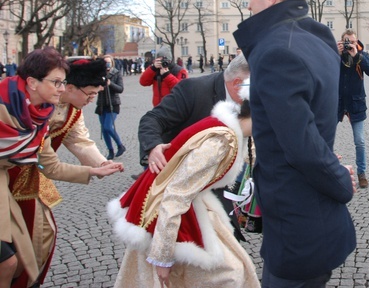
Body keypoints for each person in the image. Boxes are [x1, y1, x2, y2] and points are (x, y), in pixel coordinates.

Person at [233, 0, 356, 287]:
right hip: (311, 220)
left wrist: (341, 183)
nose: (247, 3)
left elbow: (302, 147)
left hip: (297, 226)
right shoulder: (316, 38)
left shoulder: (277, 52)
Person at [109, 92, 260, 288]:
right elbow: (175, 195)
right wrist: (163, 256)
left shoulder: (228, 128)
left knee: (232, 270)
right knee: (229, 275)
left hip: (184, 206)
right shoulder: (219, 142)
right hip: (161, 214)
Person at [0, 49, 122, 287]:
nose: (91, 100)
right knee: (19, 244)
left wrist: (99, 165)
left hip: (33, 171)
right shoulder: (17, 105)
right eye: (89, 94)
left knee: (44, 233)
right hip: (14, 174)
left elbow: (78, 142)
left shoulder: (63, 113)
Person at [137, 53, 251, 238]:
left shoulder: (251, 98)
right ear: (237, 83)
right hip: (188, 182)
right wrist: (153, 147)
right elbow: (152, 119)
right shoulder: (193, 89)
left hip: (229, 177)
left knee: (228, 239)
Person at [337, 28, 369, 188]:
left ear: (356, 41)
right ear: (341, 41)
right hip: (337, 102)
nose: (350, 44)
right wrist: (336, 54)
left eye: (352, 42)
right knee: (327, 138)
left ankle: (361, 173)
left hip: (356, 102)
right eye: (347, 41)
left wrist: (357, 56)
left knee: (359, 141)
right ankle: (327, 170)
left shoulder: (362, 55)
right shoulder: (335, 55)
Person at [95, 54, 126, 160]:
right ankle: (110, 150)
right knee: (104, 129)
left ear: (112, 63)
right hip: (102, 104)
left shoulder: (116, 73)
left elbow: (120, 89)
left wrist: (110, 84)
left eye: (108, 62)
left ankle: (120, 145)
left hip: (113, 104)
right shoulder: (99, 74)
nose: (107, 64)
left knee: (108, 126)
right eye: (105, 62)